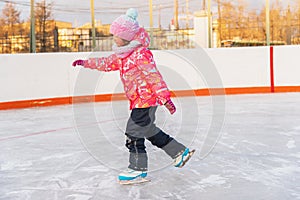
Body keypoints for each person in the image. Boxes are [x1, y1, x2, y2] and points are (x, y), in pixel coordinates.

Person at [72, 8, 194, 182]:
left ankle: (137, 169)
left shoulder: (140, 54)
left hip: (147, 100)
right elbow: (105, 63)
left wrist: (165, 98)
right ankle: (179, 152)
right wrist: (86, 63)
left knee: (133, 132)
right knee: (148, 130)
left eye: (116, 35)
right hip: (138, 101)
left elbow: (153, 75)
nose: (114, 38)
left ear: (127, 36)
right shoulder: (122, 55)